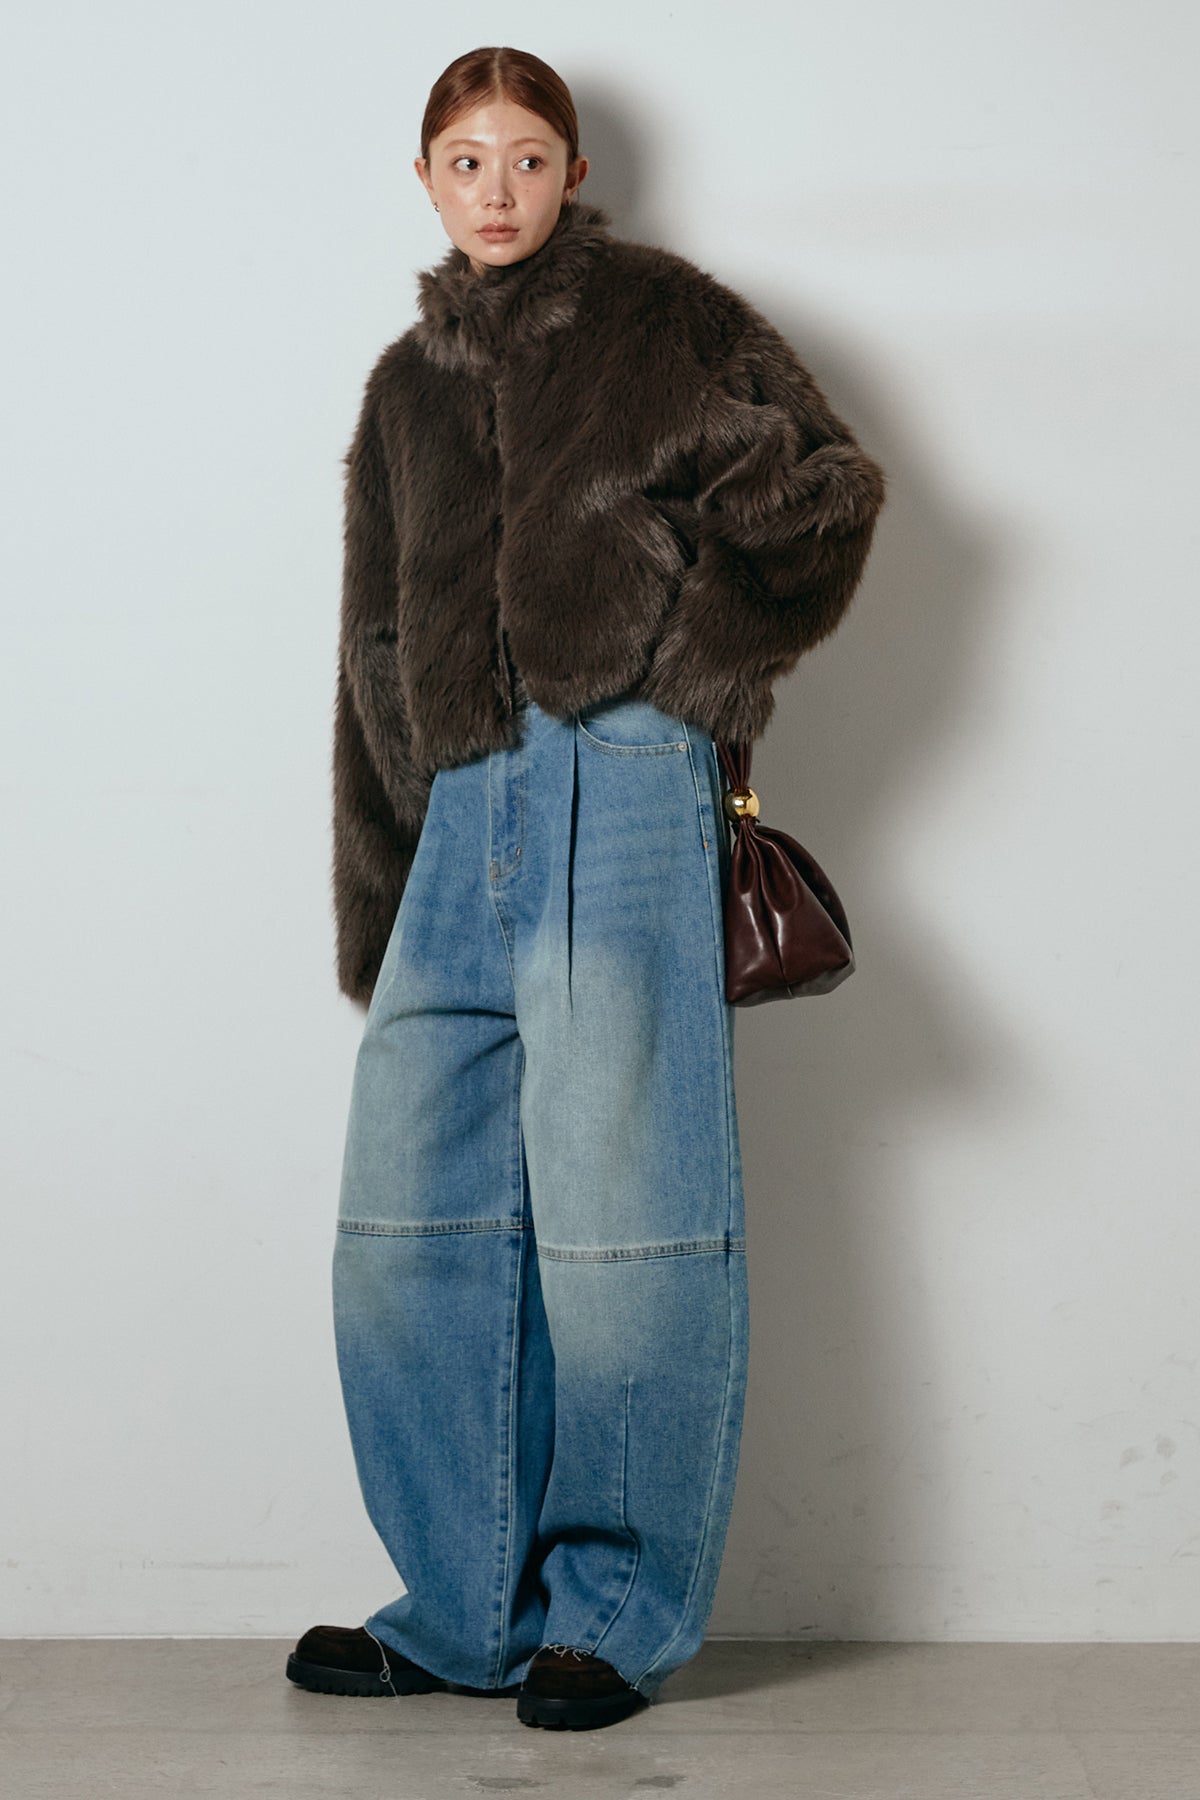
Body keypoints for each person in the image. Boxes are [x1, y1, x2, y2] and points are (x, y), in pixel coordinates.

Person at [286, 46, 887, 1732]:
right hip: (454, 808)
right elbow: (372, 643)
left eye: (528, 157)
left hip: (617, 784)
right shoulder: (403, 389)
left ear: (572, 173)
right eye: (466, 160)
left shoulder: (660, 321)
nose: (497, 189)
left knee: (629, 1212)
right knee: (411, 1221)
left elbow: (823, 498)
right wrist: (384, 882)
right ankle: (461, 1608)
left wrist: (672, 684)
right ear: (426, 180)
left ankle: (608, 1620)